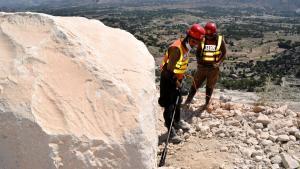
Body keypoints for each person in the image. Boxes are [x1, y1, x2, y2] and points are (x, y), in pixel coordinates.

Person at [158, 23, 205, 143]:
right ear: (188, 36)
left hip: (176, 79)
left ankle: (177, 122)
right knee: (169, 106)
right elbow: (168, 72)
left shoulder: (186, 47)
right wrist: (178, 85)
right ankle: (170, 130)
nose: (195, 44)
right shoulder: (176, 49)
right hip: (168, 79)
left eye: (197, 42)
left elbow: (179, 67)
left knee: (178, 101)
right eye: (194, 41)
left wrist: (180, 80)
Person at [185, 22, 227, 108]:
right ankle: (188, 101)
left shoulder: (220, 40)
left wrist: (219, 63)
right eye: (207, 35)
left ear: (214, 33)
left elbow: (224, 53)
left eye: (210, 35)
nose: (208, 37)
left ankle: (206, 103)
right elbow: (198, 52)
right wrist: (199, 61)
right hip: (202, 68)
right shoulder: (203, 39)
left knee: (209, 87)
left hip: (213, 69)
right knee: (195, 84)